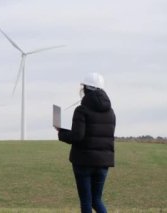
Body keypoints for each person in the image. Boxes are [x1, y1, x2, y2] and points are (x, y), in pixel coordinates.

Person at [55, 73, 116, 213]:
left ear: (86, 89)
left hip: (83, 162)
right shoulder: (111, 112)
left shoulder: (81, 110)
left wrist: (61, 132)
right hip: (103, 163)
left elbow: (77, 136)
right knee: (97, 200)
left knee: (86, 202)